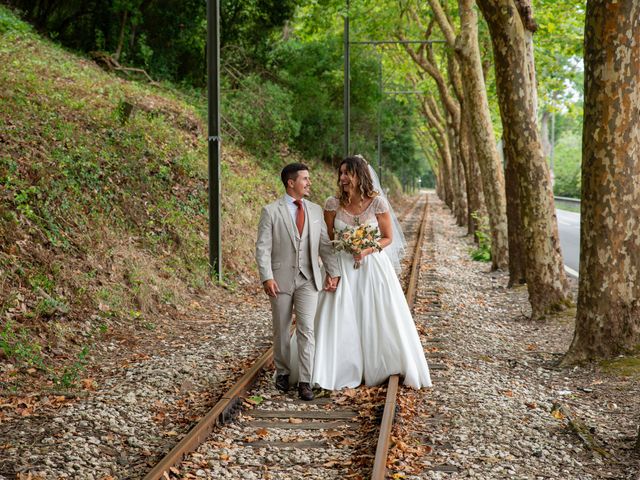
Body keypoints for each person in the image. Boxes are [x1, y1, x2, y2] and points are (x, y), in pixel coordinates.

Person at [311, 155, 432, 390]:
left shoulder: (378, 203)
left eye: (348, 173)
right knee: (340, 315)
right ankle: (335, 369)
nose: (343, 178)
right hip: (342, 267)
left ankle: (382, 365)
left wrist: (365, 250)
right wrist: (333, 266)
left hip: (373, 267)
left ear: (360, 176)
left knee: (377, 314)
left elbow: (388, 237)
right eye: (341, 173)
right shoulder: (332, 204)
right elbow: (329, 239)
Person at [255, 163, 341, 401]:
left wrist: (333, 272)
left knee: (307, 329)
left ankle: (305, 380)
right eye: (305, 178)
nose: (309, 182)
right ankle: (282, 372)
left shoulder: (314, 210)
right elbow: (263, 247)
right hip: (279, 280)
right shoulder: (271, 211)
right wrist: (267, 276)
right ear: (291, 183)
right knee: (281, 329)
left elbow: (324, 244)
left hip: (309, 278)